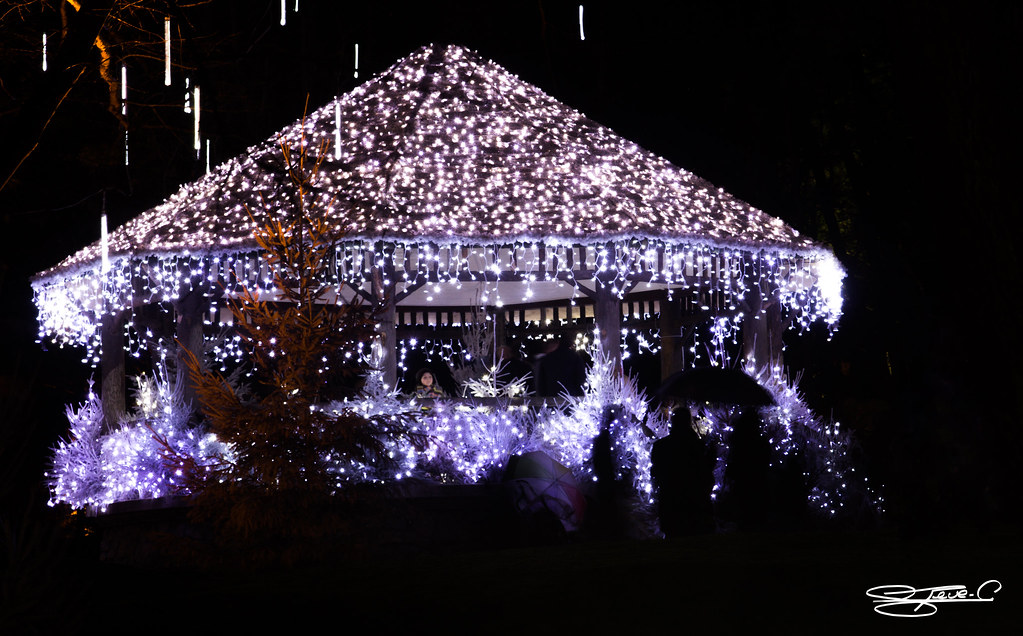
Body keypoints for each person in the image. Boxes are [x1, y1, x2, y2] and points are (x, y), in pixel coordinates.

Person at [650, 406, 716, 536]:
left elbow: (656, 472)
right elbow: (705, 471)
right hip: (694, 504)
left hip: (671, 502)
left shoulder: (661, 446)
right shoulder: (698, 446)